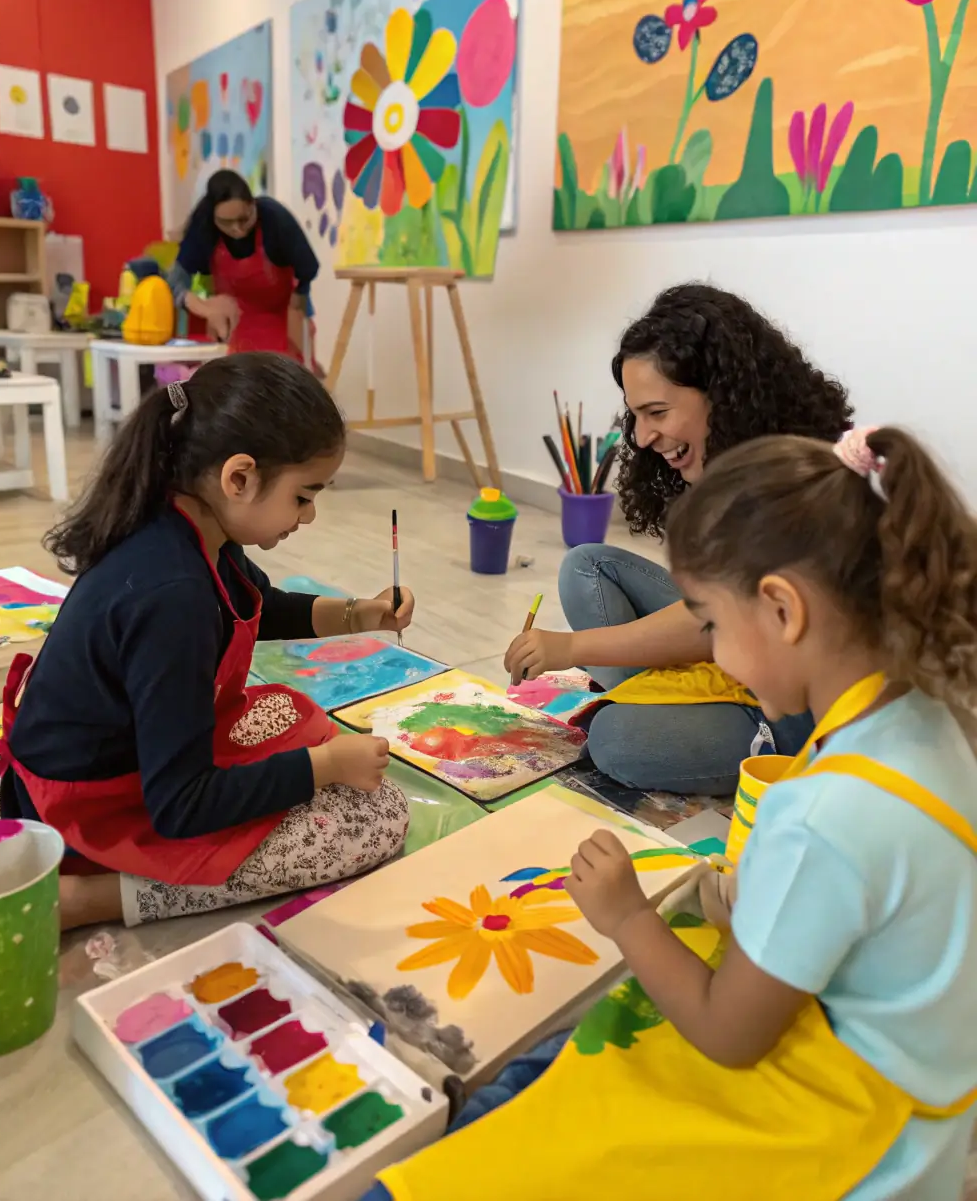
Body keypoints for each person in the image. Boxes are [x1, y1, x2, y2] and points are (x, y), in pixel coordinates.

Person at [370, 426, 977, 1201]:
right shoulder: (927, 715)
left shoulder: (824, 812)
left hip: (862, 1137)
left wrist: (626, 916)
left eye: (714, 626)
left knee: (539, 1107)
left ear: (783, 609)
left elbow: (729, 1035)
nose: (711, 653)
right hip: (920, 1083)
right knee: (548, 1062)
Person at [0, 354, 411, 930]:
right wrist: (326, 766)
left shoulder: (191, 525)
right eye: (303, 496)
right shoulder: (171, 596)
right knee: (373, 821)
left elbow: (262, 607)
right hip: (87, 806)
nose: (308, 517)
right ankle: (92, 898)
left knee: (295, 718)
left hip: (128, 757)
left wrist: (364, 613)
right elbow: (180, 804)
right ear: (239, 478)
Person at [504, 283, 853, 794]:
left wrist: (573, 646)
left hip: (794, 700)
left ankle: (749, 737)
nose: (642, 436)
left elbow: (715, 618)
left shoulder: (789, 478)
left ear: (724, 394)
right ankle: (669, 698)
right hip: (743, 645)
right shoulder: (734, 462)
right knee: (587, 565)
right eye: (637, 414)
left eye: (658, 413)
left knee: (615, 741)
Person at [167, 171, 325, 376]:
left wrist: (301, 341)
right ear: (213, 216)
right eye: (226, 222)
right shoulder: (204, 225)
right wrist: (203, 307)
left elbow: (307, 269)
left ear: (253, 205)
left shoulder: (274, 218)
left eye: (244, 219)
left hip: (282, 321)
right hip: (235, 329)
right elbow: (176, 280)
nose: (238, 230)